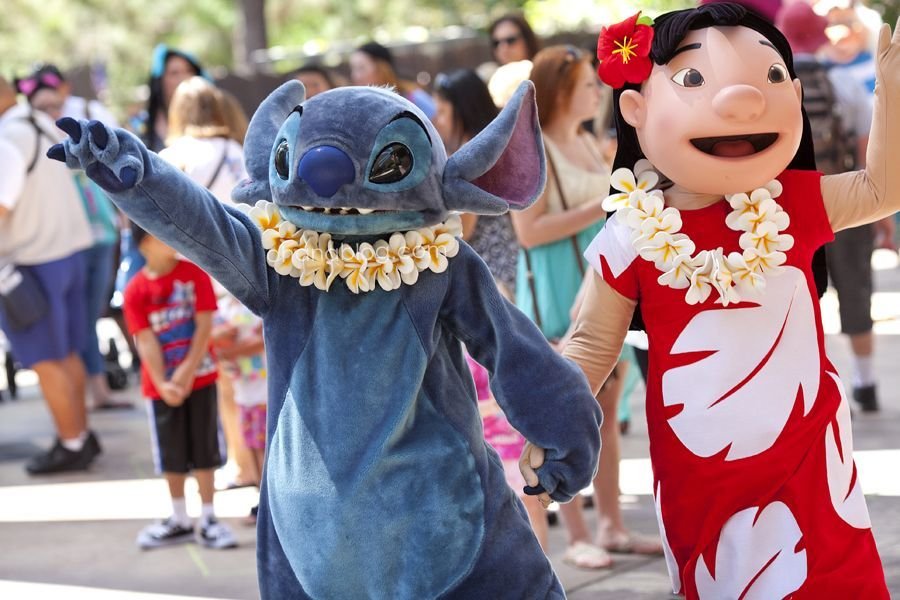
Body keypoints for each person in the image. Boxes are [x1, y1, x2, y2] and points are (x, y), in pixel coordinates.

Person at [556, 5, 897, 596]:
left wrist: (890, 93)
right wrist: (546, 418)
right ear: (635, 110)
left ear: (792, 94)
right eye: (692, 79)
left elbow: (882, 188)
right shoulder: (632, 232)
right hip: (702, 478)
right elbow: (590, 343)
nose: (743, 101)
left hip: (812, 464)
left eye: (769, 80)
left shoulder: (794, 202)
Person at [513, 46, 655, 569]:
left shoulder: (591, 144)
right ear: (559, 91)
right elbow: (528, 232)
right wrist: (608, 202)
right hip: (554, 287)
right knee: (560, 414)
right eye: (586, 84)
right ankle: (574, 533)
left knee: (608, 413)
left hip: (597, 282)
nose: (598, 91)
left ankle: (612, 525)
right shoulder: (537, 150)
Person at [779, 1, 886, 412]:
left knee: (798, 296)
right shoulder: (843, 81)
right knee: (855, 290)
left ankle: (806, 387)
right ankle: (866, 382)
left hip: (787, 209)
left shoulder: (773, 86)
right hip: (844, 200)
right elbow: (866, 150)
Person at [158, 76, 259, 489]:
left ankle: (241, 463)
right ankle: (251, 461)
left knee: (220, 374)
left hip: (200, 279)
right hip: (246, 271)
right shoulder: (240, 150)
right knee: (249, 376)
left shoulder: (175, 156)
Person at [0, 76, 100, 474]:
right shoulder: (37, 123)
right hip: (65, 256)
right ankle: (79, 434)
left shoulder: (9, 138)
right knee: (66, 353)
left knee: (45, 361)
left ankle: (72, 442)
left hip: (31, 263)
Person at [17, 65, 132, 411]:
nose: (52, 112)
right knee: (74, 318)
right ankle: (86, 393)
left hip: (102, 232)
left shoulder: (87, 115)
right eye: (43, 107)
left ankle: (93, 390)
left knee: (92, 312)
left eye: (55, 105)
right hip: (64, 239)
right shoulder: (27, 133)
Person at [124, 223, 237, 550]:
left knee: (205, 449)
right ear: (145, 243)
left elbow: (204, 326)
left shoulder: (194, 275)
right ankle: (179, 518)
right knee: (171, 454)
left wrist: (186, 372)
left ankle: (209, 517)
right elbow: (144, 340)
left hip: (200, 379)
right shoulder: (135, 291)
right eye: (162, 234)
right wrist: (162, 382)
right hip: (162, 389)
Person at [433, 68, 518, 296]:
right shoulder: (491, 148)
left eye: (442, 111)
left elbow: (464, 229)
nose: (437, 120)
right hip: (508, 259)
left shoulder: (469, 158)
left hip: (491, 268)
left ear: (462, 111)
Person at [212, 294, 267, 524]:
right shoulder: (224, 305)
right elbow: (212, 336)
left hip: (265, 386)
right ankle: (261, 497)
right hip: (243, 388)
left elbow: (266, 336)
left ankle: (269, 500)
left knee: (264, 444)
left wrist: (234, 350)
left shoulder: (258, 301)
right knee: (252, 443)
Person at [139, 44, 207, 152]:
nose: (184, 78)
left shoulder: (211, 120)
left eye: (189, 71)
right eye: (174, 73)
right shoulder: (142, 125)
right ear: (160, 81)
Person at [349, 41, 436, 118]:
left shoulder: (414, 99)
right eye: (353, 69)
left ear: (382, 69)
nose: (355, 76)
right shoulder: (357, 108)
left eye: (361, 68)